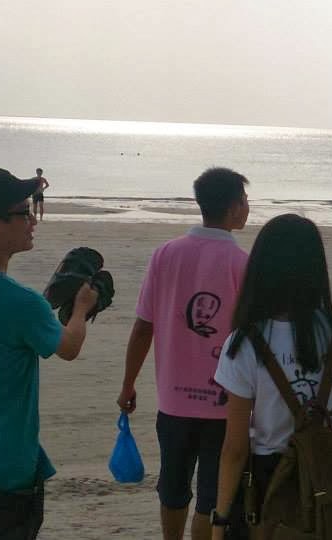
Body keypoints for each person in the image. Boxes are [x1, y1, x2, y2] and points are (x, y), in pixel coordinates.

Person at [0, 168, 99, 540]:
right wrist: (81, 308)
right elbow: (68, 347)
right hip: (5, 467)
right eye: (23, 213)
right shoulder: (20, 301)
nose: (32, 221)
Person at [210, 214, 332, 540]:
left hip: (270, 478)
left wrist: (220, 520)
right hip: (330, 477)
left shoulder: (244, 343)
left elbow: (234, 448)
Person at [118, 167, 250, 540]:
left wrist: (128, 383)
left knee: (173, 487)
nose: (247, 207)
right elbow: (251, 337)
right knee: (211, 496)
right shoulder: (241, 263)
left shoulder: (166, 254)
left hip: (174, 400)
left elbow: (143, 326)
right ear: (233, 207)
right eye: (245, 201)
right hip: (223, 402)